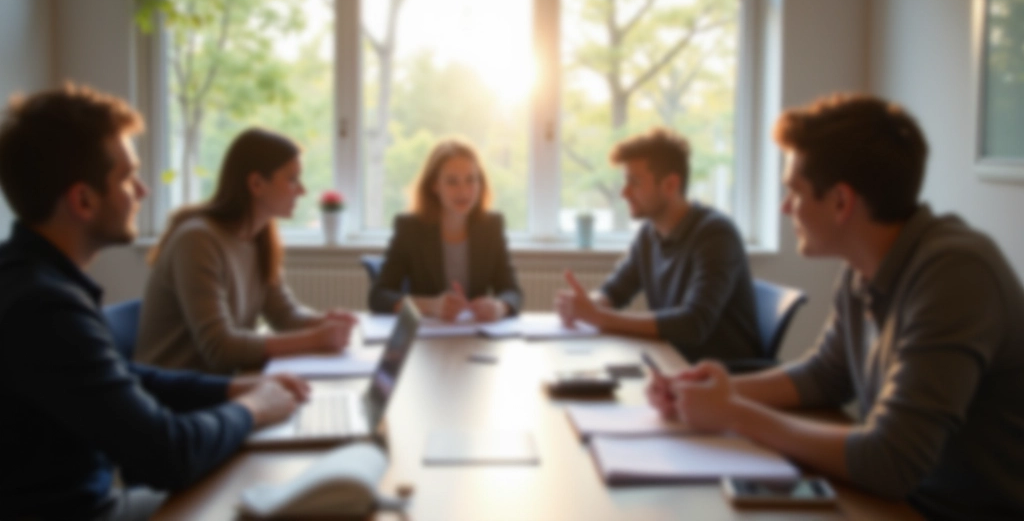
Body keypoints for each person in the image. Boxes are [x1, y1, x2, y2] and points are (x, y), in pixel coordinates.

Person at [647, 94, 1024, 520]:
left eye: (794, 191)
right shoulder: (862, 267)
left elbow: (890, 461)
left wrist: (735, 415)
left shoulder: (956, 274)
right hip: (899, 501)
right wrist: (706, 391)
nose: (784, 207)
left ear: (842, 202)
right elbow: (825, 374)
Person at [0, 84, 307, 520]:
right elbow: (167, 455)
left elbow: (123, 375)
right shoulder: (43, 307)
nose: (142, 190)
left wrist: (233, 388)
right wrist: (252, 408)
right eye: (127, 177)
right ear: (83, 200)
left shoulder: (35, 282)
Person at [135, 128, 356, 374]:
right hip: (176, 398)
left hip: (220, 387)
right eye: (292, 179)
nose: (302, 190)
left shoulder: (259, 237)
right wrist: (316, 339)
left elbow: (284, 314)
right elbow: (220, 349)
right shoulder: (197, 240)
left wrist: (325, 322)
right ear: (256, 184)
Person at [555, 127, 759, 362]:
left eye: (634, 182)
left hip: (722, 377)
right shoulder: (649, 234)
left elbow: (694, 324)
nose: (624, 192)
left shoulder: (716, 234)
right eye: (625, 181)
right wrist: (586, 304)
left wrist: (599, 317)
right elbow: (615, 291)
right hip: (672, 363)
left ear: (671, 185)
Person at [369, 139, 522, 321]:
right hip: (427, 339)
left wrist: (499, 306)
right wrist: (430, 305)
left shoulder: (491, 226)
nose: (463, 191)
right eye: (452, 182)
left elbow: (512, 292)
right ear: (435, 185)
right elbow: (378, 296)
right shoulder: (409, 228)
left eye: (471, 180)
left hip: (474, 334)